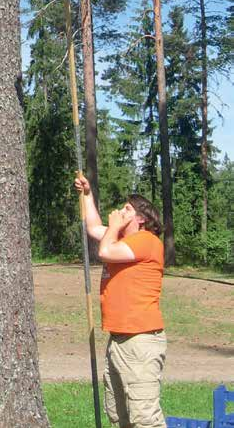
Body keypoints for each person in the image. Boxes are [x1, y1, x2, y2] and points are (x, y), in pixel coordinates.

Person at [74, 174, 166, 428]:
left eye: (127, 209)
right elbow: (94, 228)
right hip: (118, 340)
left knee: (145, 419)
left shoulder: (147, 241)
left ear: (141, 218)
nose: (119, 212)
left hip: (141, 341)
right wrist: (87, 194)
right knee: (119, 416)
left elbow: (105, 251)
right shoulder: (123, 240)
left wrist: (113, 225)